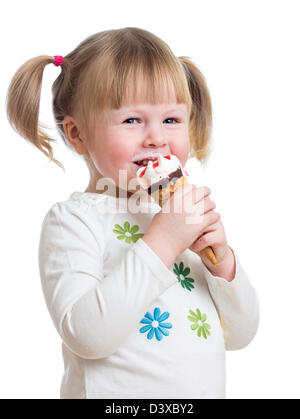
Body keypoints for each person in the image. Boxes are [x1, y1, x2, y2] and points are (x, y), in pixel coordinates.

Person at [6, 27, 259, 399]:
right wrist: (163, 241)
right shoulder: (74, 220)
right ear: (77, 135)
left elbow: (240, 335)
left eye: (171, 120)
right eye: (131, 121)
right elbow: (87, 335)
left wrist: (224, 265)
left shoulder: (181, 214)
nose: (156, 137)